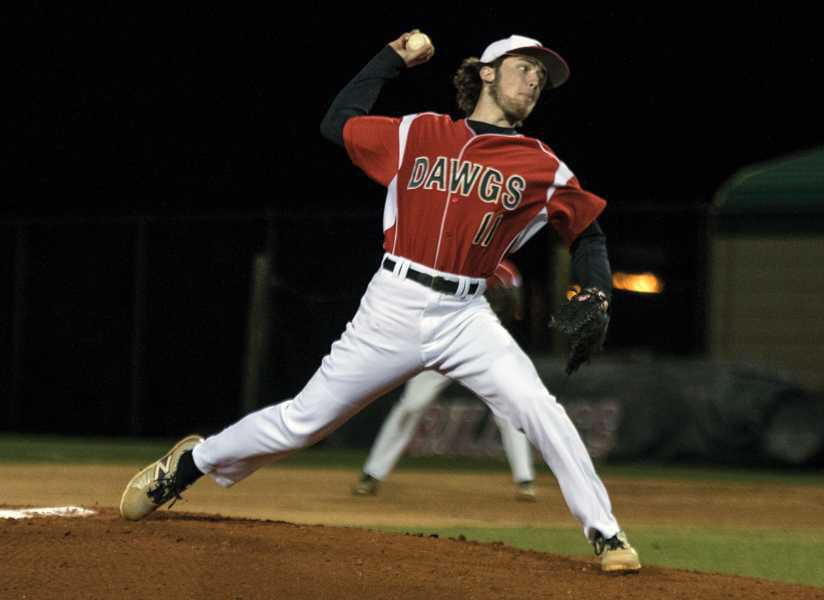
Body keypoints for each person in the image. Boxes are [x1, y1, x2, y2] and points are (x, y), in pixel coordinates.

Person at [119, 31, 641, 573]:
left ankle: (606, 534)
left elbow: (590, 233)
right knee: (304, 422)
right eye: (525, 67)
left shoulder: (542, 166)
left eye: (541, 77)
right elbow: (336, 121)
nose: (534, 80)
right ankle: (189, 465)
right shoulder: (419, 131)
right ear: (486, 72)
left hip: (466, 316)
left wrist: (596, 289)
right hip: (394, 301)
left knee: (541, 411)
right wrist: (390, 59)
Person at [352, 259, 537, 501]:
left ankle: (525, 479)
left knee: (508, 408)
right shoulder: (450, 264)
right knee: (411, 405)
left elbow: (512, 307)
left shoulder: (504, 270)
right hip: (444, 342)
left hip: (483, 345)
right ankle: (373, 473)